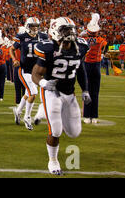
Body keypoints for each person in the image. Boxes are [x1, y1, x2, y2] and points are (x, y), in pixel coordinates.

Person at [32, 17, 91, 176]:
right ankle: (53, 161)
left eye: (70, 29)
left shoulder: (80, 47)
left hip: (69, 93)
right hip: (51, 92)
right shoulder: (48, 49)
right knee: (56, 130)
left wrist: (85, 90)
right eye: (64, 30)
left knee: (74, 133)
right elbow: (36, 74)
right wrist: (43, 84)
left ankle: (46, 111)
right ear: (54, 31)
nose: (69, 33)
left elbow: (80, 69)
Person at [11, 17, 49, 130]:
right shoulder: (22, 37)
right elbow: (11, 49)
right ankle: (27, 117)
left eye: (36, 26)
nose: (35, 28)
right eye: (33, 26)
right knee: (33, 93)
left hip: (37, 70)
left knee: (28, 93)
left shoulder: (43, 36)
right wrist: (14, 60)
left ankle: (18, 111)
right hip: (25, 70)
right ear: (28, 26)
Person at [81, 13, 108, 124]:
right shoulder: (101, 40)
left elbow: (78, 39)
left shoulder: (83, 39)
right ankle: (94, 116)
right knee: (95, 92)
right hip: (96, 66)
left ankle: (87, 116)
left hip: (86, 66)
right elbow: (106, 44)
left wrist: (83, 33)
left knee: (86, 91)